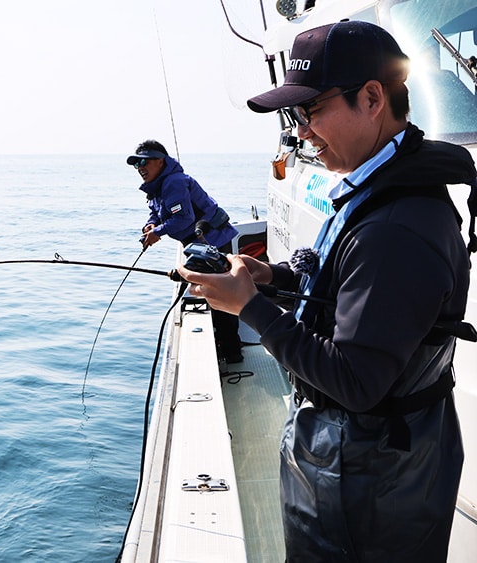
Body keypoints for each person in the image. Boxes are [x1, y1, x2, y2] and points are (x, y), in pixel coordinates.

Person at [178, 21, 477, 561]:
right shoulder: (380, 184)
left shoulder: (396, 228)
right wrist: (275, 277)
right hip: (376, 468)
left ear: (371, 97)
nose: (301, 133)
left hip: (365, 490)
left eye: (311, 111)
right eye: (295, 116)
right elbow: (345, 282)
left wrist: (248, 306)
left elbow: (356, 382)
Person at [127, 140, 244, 363]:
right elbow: (157, 212)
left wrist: (158, 233)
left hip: (212, 241)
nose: (140, 167)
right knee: (212, 293)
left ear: (160, 161)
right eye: (136, 164)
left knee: (220, 295)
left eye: (144, 161)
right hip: (196, 243)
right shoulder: (157, 185)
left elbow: (184, 218)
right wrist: (151, 225)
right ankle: (226, 345)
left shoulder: (173, 182)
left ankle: (231, 351)